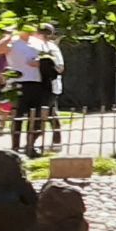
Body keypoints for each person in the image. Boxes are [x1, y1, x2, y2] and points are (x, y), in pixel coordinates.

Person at [0, 25, 50, 156]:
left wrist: (40, 63)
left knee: (36, 117)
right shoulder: (13, 41)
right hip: (17, 83)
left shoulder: (38, 42)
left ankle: (30, 146)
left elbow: (48, 58)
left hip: (36, 82)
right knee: (17, 117)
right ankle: (15, 147)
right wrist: (9, 34)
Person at [34, 24, 65, 153]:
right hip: (40, 84)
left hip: (49, 85)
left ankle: (36, 139)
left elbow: (60, 67)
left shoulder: (51, 48)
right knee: (50, 112)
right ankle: (55, 140)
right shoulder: (38, 46)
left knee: (45, 113)